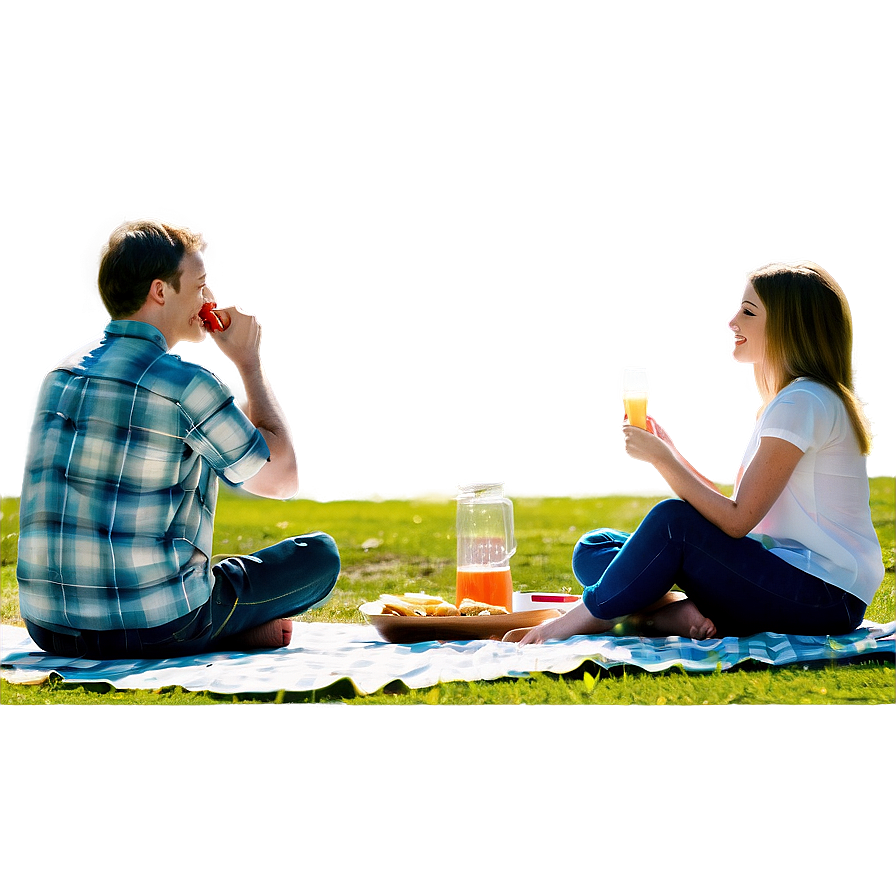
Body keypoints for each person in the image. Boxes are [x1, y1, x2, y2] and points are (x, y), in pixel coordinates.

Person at [16, 218, 340, 659]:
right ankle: (222, 628)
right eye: (201, 285)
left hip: (48, 626)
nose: (208, 299)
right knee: (319, 556)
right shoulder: (188, 385)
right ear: (160, 291)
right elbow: (281, 479)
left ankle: (228, 627)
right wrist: (249, 362)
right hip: (156, 627)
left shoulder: (60, 373)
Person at [519, 260, 884, 645]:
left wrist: (663, 459)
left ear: (786, 326)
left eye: (747, 312)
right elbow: (734, 512)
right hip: (789, 579)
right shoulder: (796, 400)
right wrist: (670, 451)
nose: (732, 322)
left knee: (672, 521)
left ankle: (577, 623)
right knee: (595, 548)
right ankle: (671, 613)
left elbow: (736, 521)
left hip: (823, 596)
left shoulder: (803, 402)